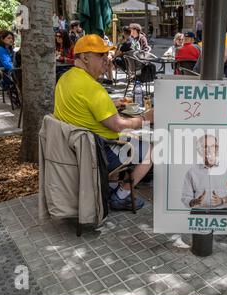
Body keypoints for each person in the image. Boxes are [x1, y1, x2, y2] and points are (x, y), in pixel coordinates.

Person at [54, 34, 154, 211]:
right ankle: (121, 195)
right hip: (97, 153)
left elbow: (84, 108)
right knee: (152, 150)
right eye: (101, 55)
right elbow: (118, 125)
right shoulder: (91, 87)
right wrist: (146, 118)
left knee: (128, 137)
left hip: (73, 149)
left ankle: (112, 185)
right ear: (85, 57)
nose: (107, 60)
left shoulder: (65, 78)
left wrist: (110, 104)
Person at [181, 134, 227, 213]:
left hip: (222, 213)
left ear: (217, 148)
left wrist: (222, 200)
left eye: (212, 146)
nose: (209, 150)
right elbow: (185, 197)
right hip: (198, 213)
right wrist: (194, 201)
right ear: (199, 151)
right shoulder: (192, 172)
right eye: (205, 147)